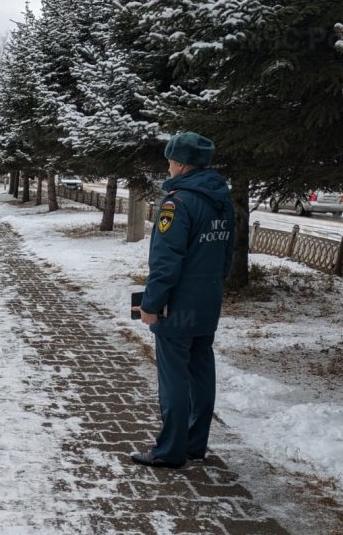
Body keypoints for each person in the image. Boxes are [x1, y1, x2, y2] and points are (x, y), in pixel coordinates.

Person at [132, 131, 235, 469]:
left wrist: (151, 303)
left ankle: (170, 450)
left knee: (174, 377)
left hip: (178, 306)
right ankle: (194, 443)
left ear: (180, 163)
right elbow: (225, 254)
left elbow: (166, 259)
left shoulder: (177, 203)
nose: (169, 165)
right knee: (201, 372)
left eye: (171, 159)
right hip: (208, 301)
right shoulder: (221, 199)